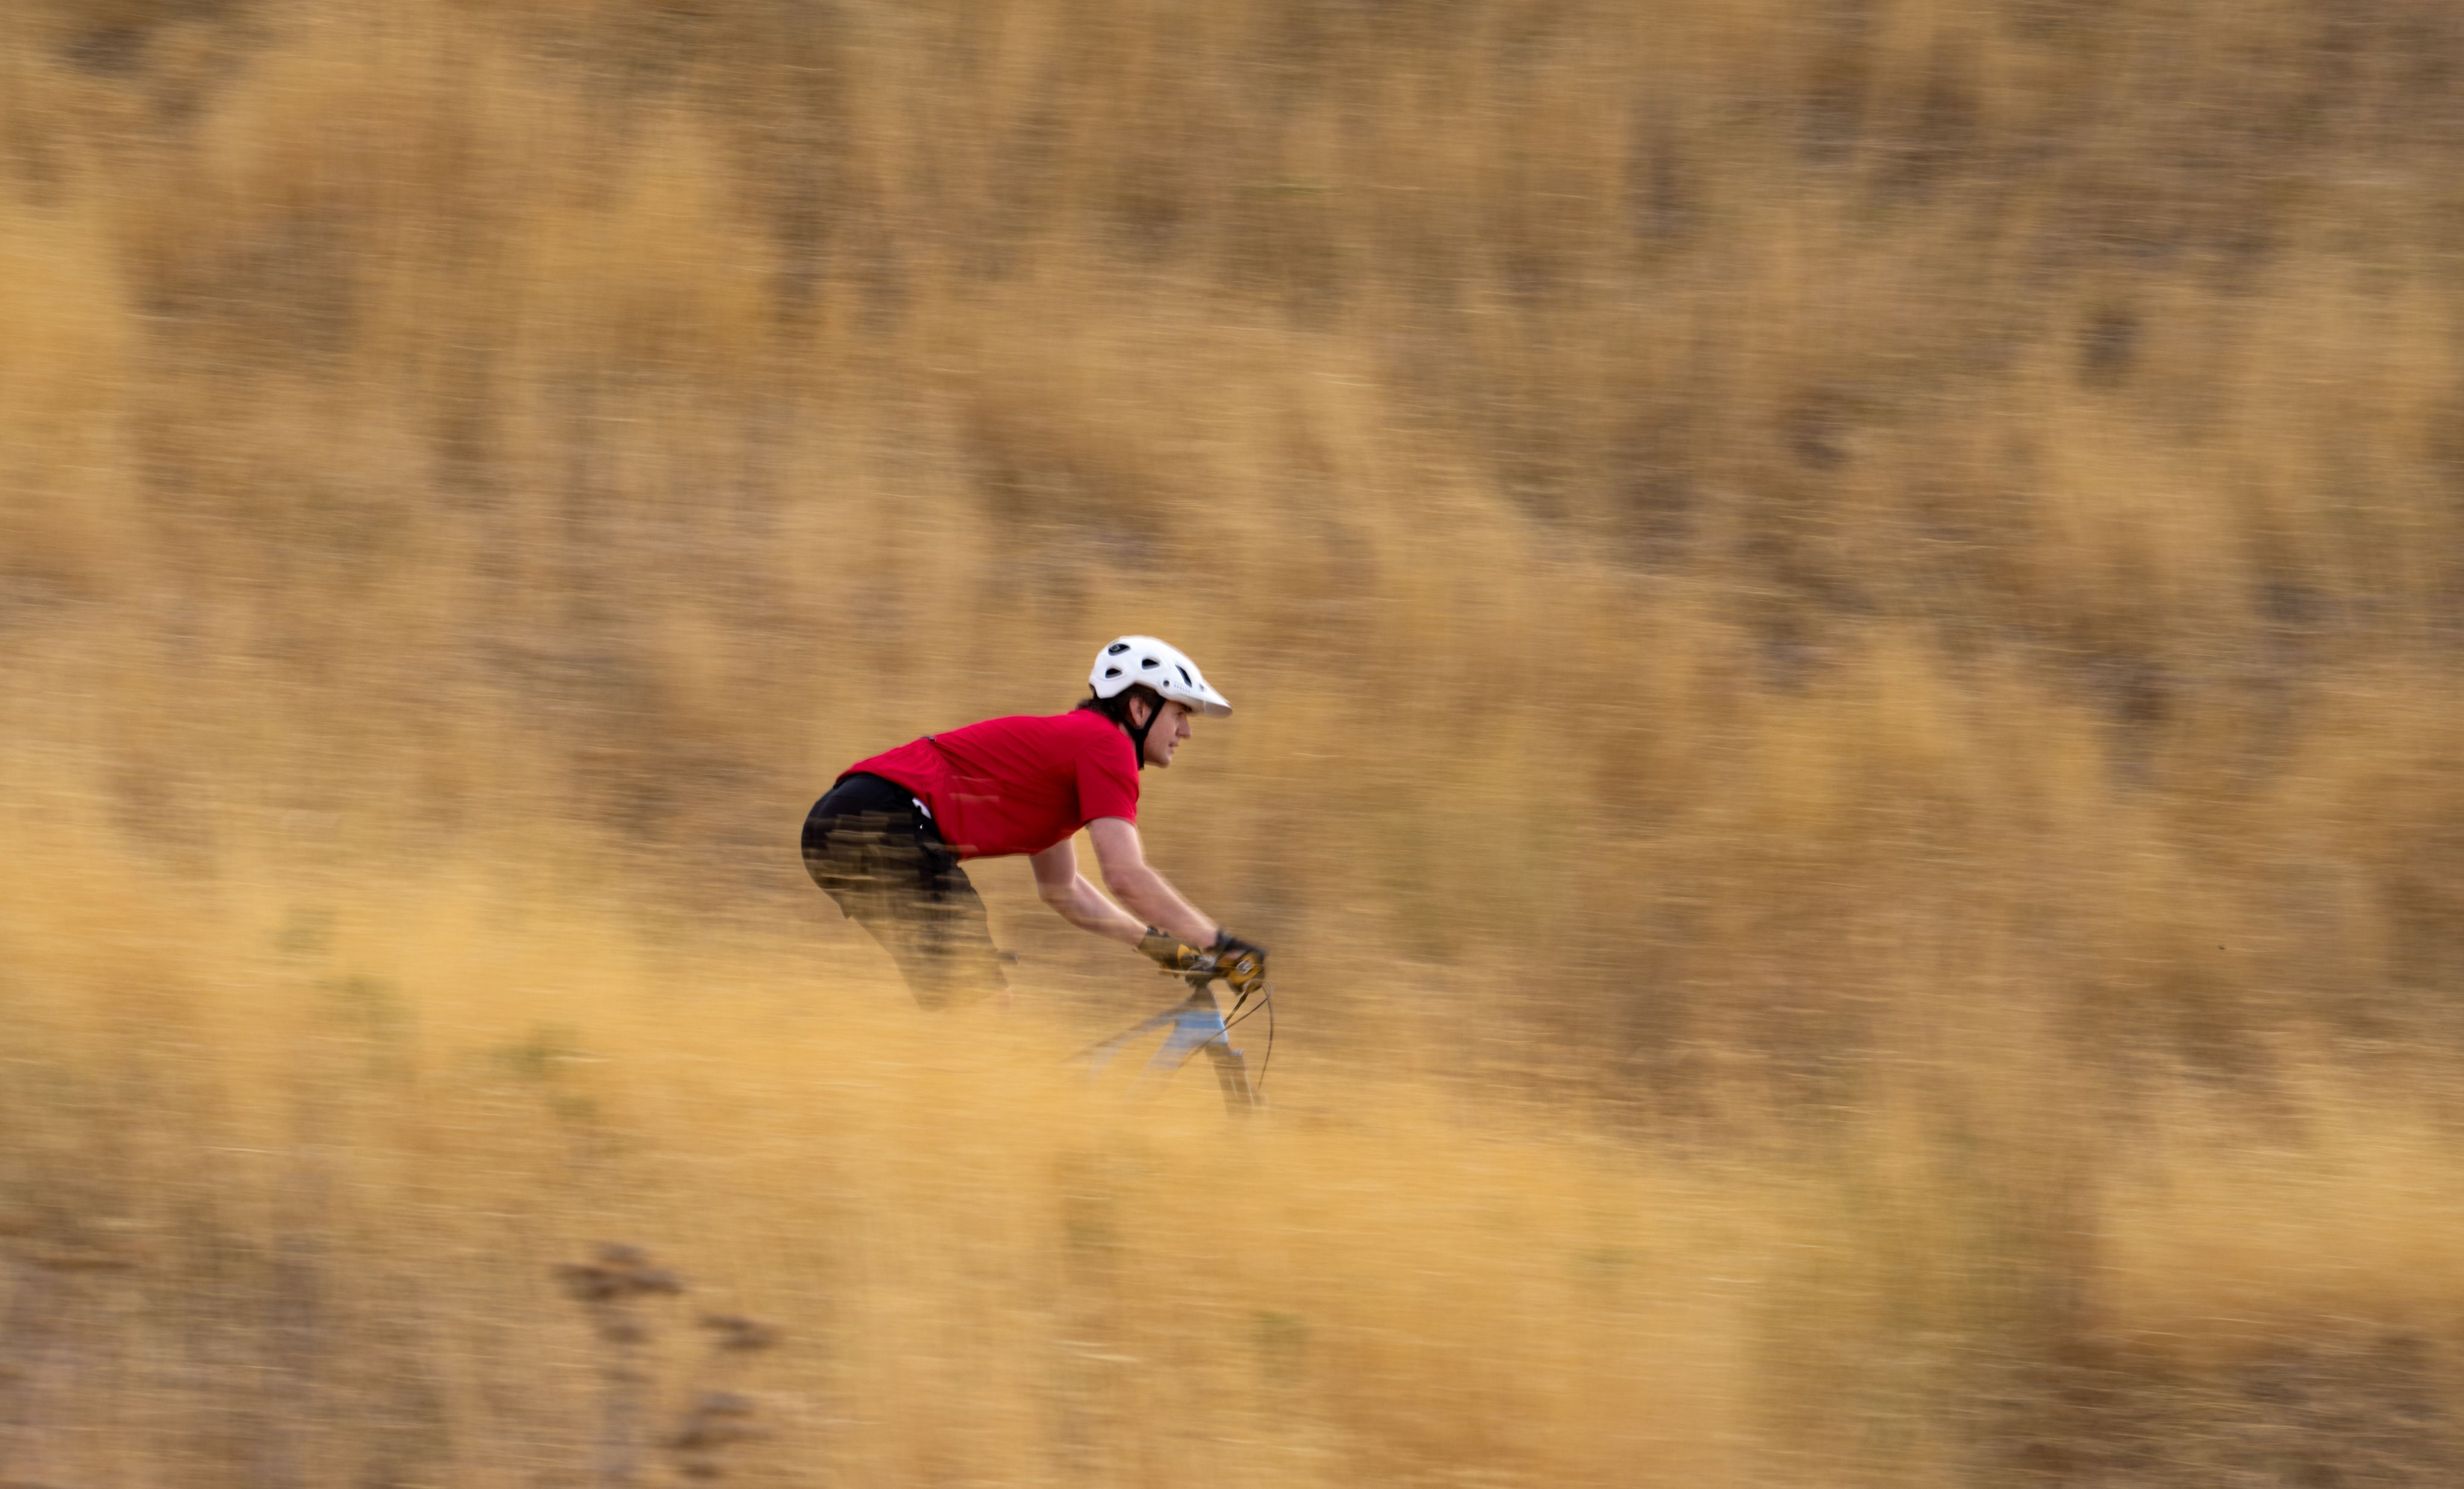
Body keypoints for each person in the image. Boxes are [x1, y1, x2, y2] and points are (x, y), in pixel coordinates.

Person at [801, 636, 1267, 1010]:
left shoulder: (1069, 752)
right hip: (889, 820)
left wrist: (1155, 945)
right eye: (1181, 713)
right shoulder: (1105, 746)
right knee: (981, 1005)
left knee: (963, 1000)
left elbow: (1062, 890)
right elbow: (1126, 877)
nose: (1186, 731)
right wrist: (1220, 942)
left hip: (842, 823)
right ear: (1140, 709)